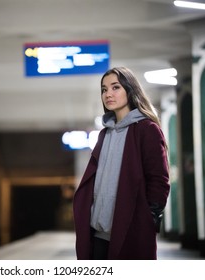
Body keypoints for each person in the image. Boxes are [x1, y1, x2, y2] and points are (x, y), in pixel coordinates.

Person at [73, 66, 170, 260]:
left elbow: (159, 180)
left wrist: (148, 219)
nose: (108, 93)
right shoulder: (103, 134)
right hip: (98, 234)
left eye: (115, 87)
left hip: (130, 232)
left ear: (130, 90)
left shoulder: (146, 129)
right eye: (104, 89)